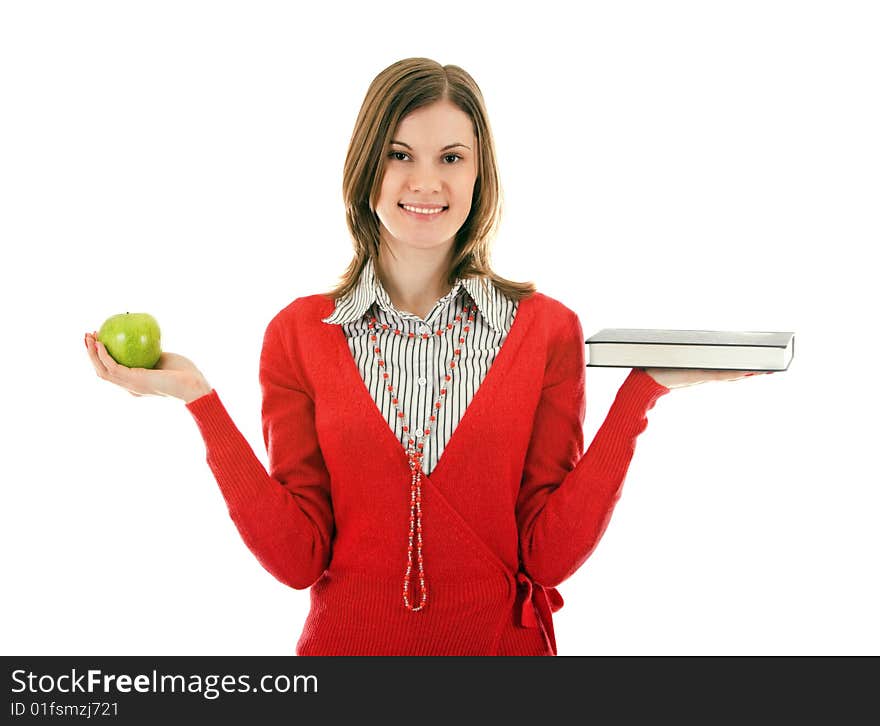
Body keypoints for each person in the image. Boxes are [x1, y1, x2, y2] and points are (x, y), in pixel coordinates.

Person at [84, 57, 768, 656]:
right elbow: (297, 560)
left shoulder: (545, 330)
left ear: (478, 174)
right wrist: (199, 400)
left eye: (451, 157)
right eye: (400, 153)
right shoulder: (299, 333)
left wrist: (640, 393)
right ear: (366, 165)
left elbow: (550, 556)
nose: (426, 181)